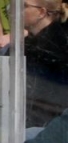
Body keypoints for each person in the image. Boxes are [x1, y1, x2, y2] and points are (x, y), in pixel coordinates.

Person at [22, 0, 68, 128]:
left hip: (50, 123)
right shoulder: (27, 43)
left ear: (41, 12)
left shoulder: (59, 44)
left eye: (24, 6)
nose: (15, 12)